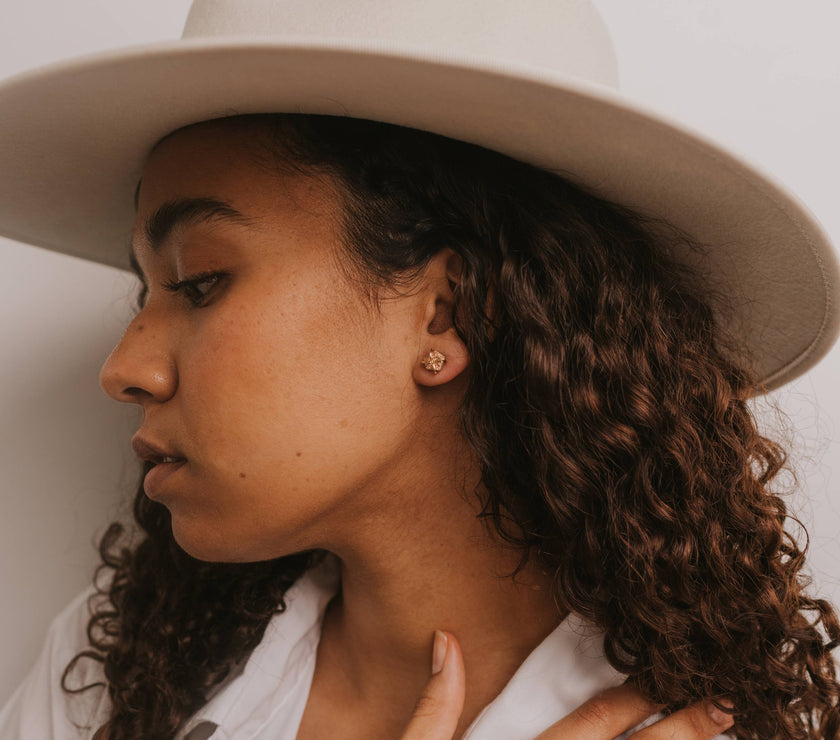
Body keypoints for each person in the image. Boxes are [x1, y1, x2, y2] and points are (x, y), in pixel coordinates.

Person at [0, 2, 838, 739]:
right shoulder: (114, 668)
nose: (126, 368)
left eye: (199, 281)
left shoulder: (713, 724)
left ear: (446, 312)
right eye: (143, 293)